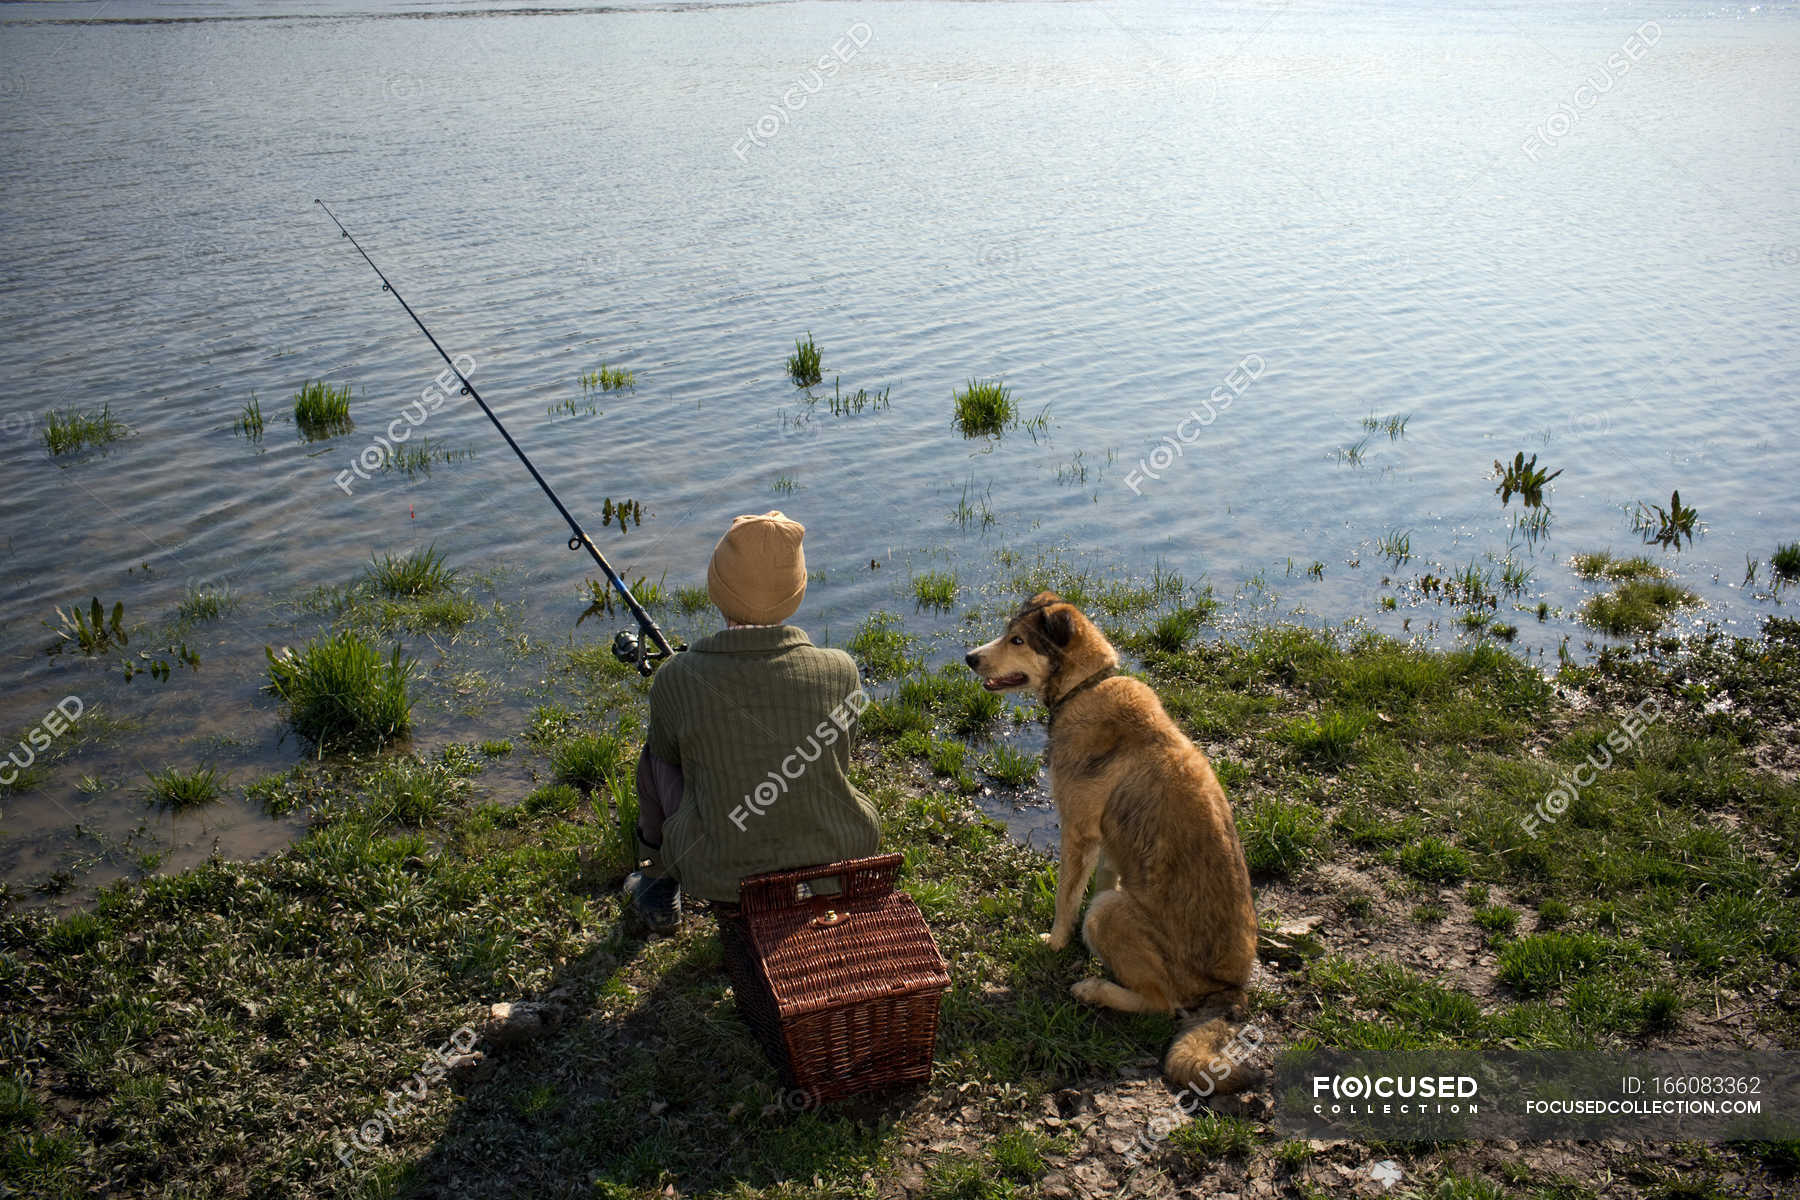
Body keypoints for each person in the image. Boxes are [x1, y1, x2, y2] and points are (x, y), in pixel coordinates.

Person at [623, 511, 880, 932]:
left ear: (716, 589)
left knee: (654, 757)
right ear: (797, 591)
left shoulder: (675, 677)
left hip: (721, 868)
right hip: (842, 843)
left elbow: (670, 755)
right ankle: (813, 880)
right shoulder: (842, 668)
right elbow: (839, 754)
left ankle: (656, 886)